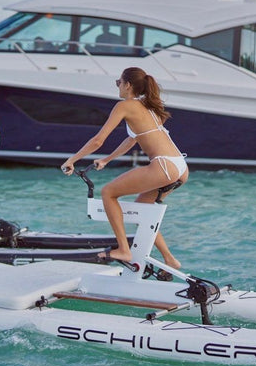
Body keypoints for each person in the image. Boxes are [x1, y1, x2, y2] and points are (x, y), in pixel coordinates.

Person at [60, 66, 188, 268]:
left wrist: (72, 160)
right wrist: (107, 160)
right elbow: (132, 140)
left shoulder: (124, 105)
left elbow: (98, 140)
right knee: (143, 209)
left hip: (164, 166)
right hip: (180, 166)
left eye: (118, 82)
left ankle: (123, 250)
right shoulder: (148, 105)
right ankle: (170, 259)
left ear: (127, 85)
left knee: (108, 193)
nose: (117, 86)